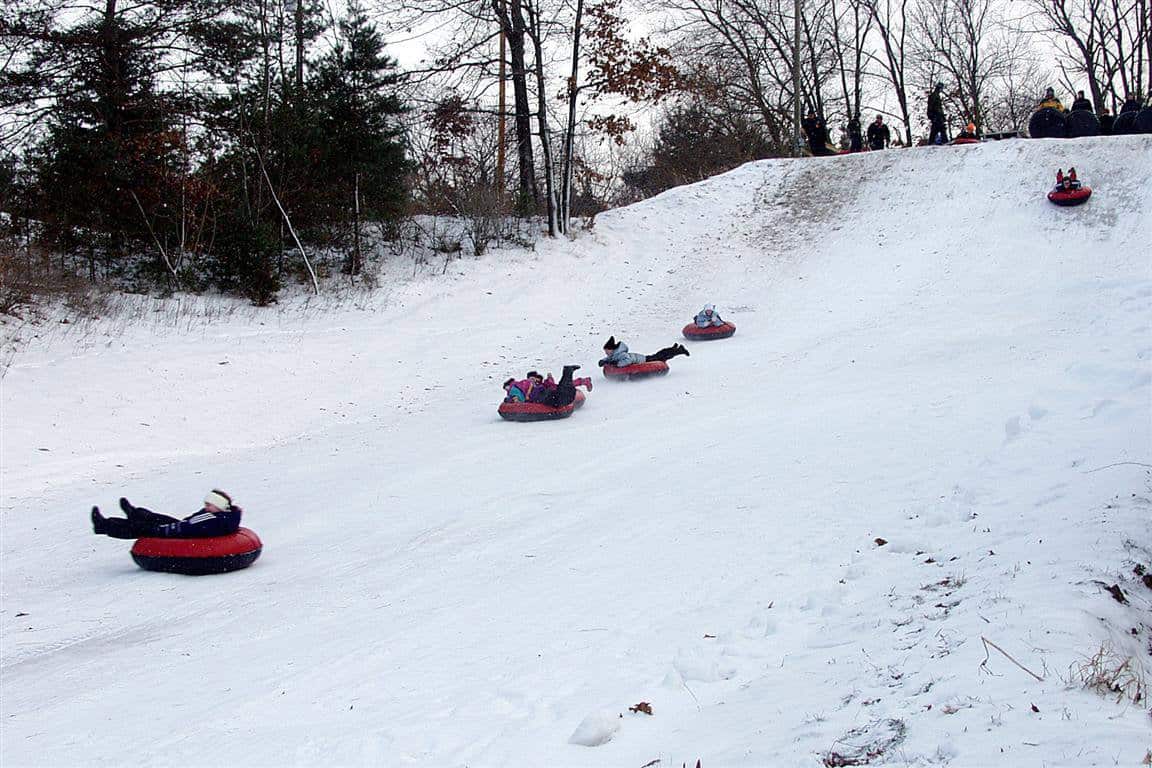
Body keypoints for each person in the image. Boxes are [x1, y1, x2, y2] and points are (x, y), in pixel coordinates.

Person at [91, 490, 241, 539]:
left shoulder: (213, 518)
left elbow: (190, 525)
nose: (206, 508)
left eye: (209, 505)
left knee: (140, 528)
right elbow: (193, 520)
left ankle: (103, 526)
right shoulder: (225, 514)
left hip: (183, 535)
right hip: (187, 530)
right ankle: (135, 513)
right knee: (158, 517)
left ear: (219, 506)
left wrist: (163, 530)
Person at [503, 366, 582, 407]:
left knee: (563, 397)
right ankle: (568, 372)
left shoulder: (514, 390)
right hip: (542, 394)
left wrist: (511, 399)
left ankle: (568, 372)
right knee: (563, 396)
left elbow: (514, 398)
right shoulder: (519, 385)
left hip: (540, 396)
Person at [598, 336, 688, 368]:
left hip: (644, 360)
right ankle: (673, 349)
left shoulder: (621, 354)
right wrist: (603, 361)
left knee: (661, 356)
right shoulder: (614, 354)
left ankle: (679, 350)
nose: (606, 353)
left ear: (612, 349)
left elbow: (628, 360)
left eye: (607, 351)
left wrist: (617, 364)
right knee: (659, 354)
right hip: (642, 358)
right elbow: (609, 359)